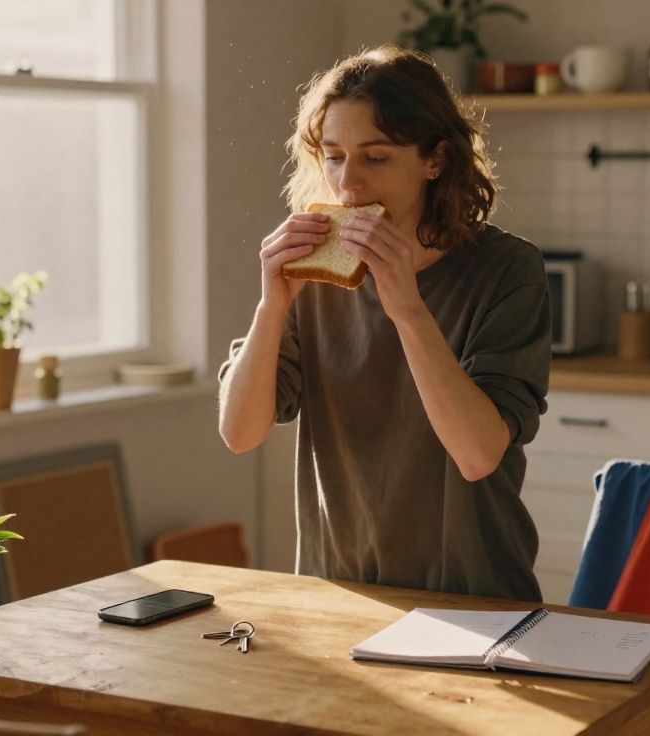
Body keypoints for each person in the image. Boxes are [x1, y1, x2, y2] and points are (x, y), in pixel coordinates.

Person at [217, 45, 552, 601]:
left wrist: (407, 307)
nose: (349, 184)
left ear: (435, 160)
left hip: (477, 596)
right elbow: (239, 433)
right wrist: (271, 306)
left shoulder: (507, 270)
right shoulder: (313, 276)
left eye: (376, 158)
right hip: (337, 593)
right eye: (333, 156)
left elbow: (477, 455)